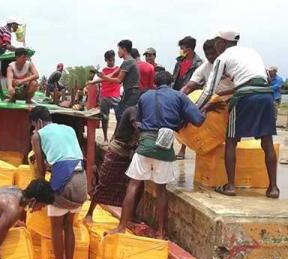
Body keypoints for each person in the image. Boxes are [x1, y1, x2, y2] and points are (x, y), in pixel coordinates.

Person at [109, 71, 205, 238]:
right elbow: (199, 120)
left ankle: (121, 227)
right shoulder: (179, 96)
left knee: (133, 185)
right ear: (171, 82)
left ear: (154, 83)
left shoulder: (145, 97)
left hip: (145, 144)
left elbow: (139, 121)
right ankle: (160, 232)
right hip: (165, 147)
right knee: (161, 190)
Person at [195, 29, 280, 199]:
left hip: (245, 97)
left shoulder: (223, 57)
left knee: (231, 139)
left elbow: (208, 89)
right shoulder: (252, 52)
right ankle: (273, 188)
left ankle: (230, 186)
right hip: (266, 95)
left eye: (217, 41)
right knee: (267, 141)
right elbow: (268, 78)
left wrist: (193, 109)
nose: (216, 45)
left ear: (222, 42)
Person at [29, 106, 88, 259]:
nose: (34, 129)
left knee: (56, 227)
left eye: (34, 125)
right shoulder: (69, 129)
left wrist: (39, 193)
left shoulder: (37, 135)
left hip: (64, 182)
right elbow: (70, 155)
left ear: (39, 122)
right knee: (68, 226)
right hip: (81, 180)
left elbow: (40, 169)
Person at [84, 107, 141, 223]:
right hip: (118, 150)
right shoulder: (133, 111)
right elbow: (138, 127)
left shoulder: (144, 114)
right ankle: (89, 213)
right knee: (105, 183)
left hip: (130, 153)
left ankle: (130, 216)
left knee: (131, 187)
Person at [172, 36, 203, 160]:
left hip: (190, 95)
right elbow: (175, 78)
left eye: (182, 48)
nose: (180, 50)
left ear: (189, 49)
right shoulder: (179, 61)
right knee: (174, 121)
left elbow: (199, 81)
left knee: (186, 123)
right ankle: (171, 146)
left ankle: (183, 149)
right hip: (177, 93)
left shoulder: (199, 64)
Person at [97, 40, 141, 124]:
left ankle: (124, 135)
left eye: (119, 49)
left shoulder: (127, 62)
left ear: (124, 49)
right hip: (132, 92)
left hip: (131, 93)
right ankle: (119, 135)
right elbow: (112, 75)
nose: (118, 52)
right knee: (120, 112)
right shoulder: (130, 61)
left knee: (122, 114)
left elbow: (118, 80)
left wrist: (104, 77)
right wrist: (94, 81)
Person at [88, 50, 121, 142]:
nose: (111, 62)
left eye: (113, 60)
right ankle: (105, 138)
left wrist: (96, 81)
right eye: (109, 60)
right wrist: (92, 83)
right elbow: (96, 82)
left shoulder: (118, 69)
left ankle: (114, 136)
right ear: (106, 60)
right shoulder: (102, 70)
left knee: (119, 117)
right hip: (105, 96)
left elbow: (103, 79)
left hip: (116, 96)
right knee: (105, 117)